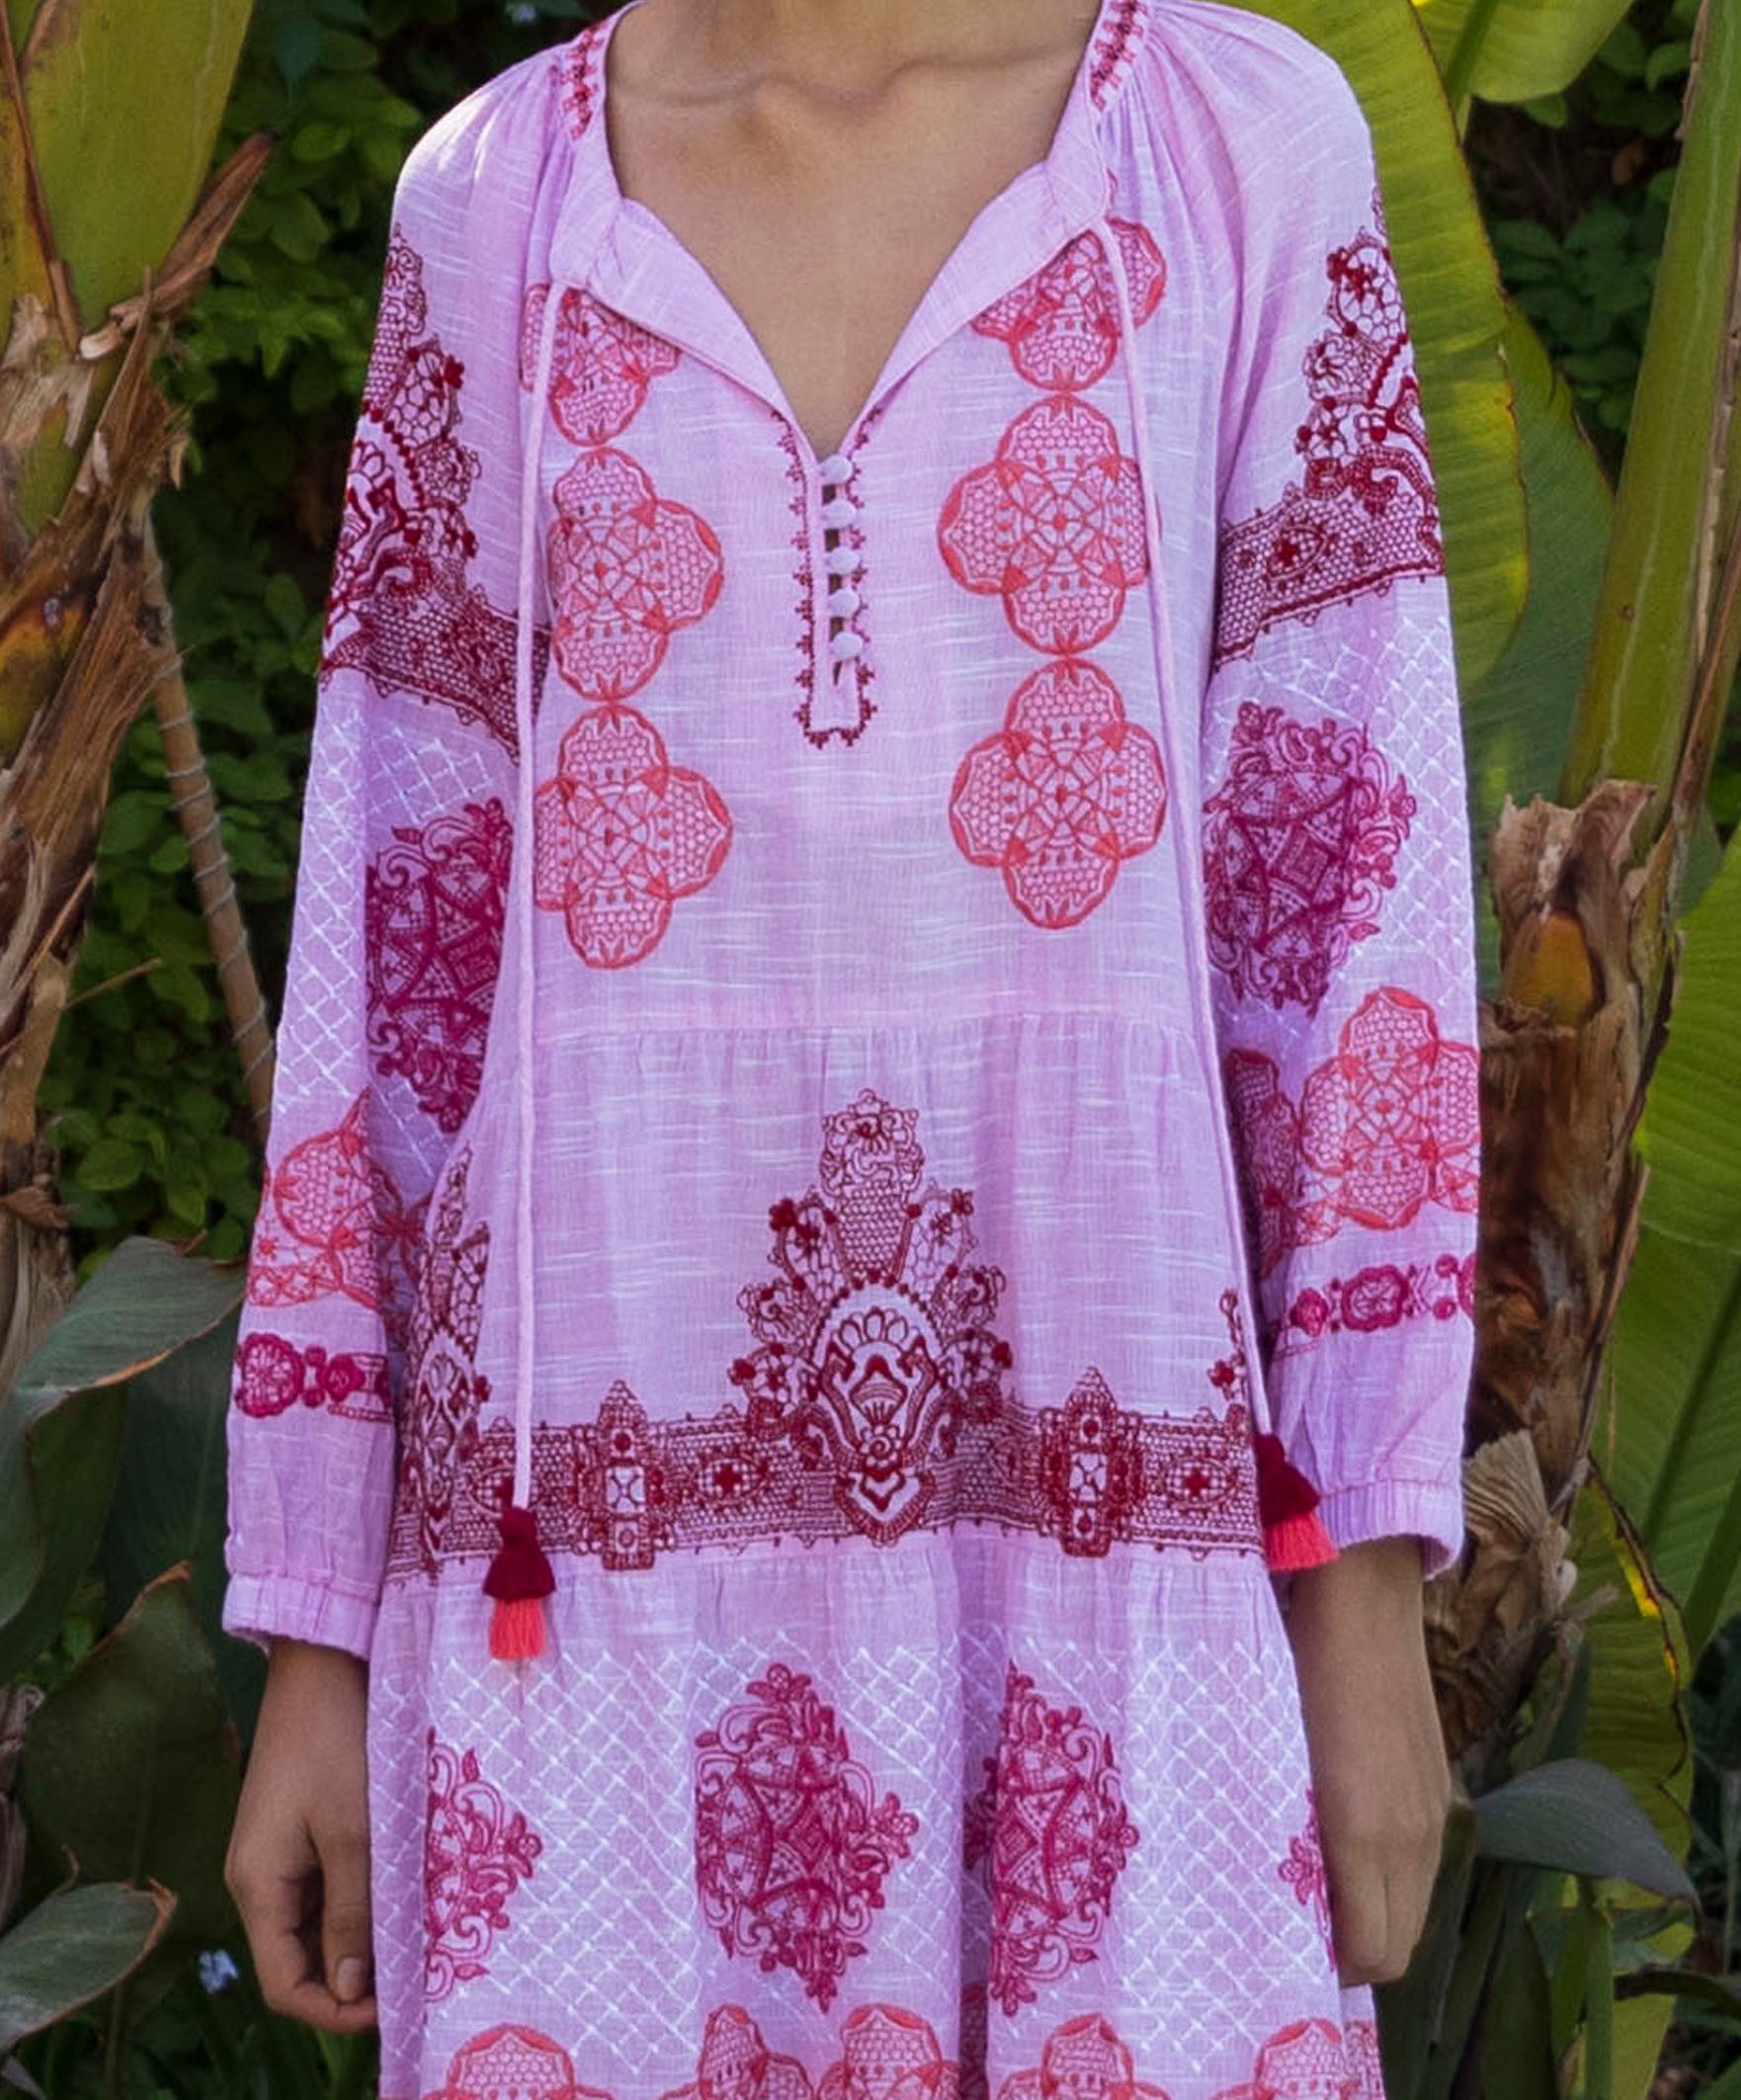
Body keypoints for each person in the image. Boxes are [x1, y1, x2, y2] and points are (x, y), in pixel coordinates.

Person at [220, 0, 1478, 2094]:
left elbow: (1347, 894)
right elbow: (400, 941)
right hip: (582, 1617)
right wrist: (316, 1640)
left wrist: (1357, 1593)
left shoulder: (1236, 144)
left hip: (1109, 1567)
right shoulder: (496, 201)